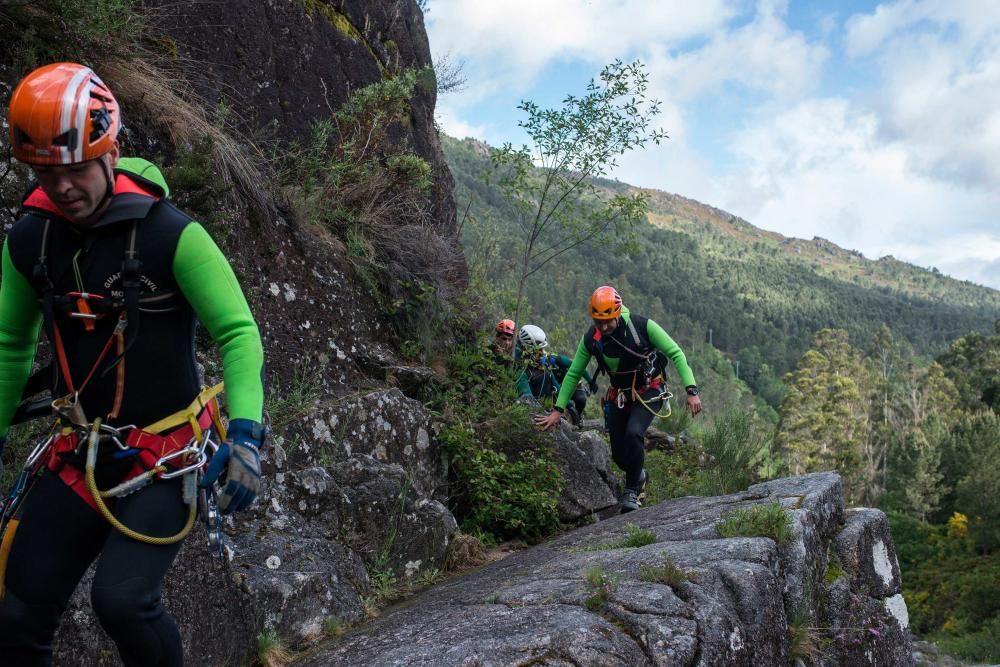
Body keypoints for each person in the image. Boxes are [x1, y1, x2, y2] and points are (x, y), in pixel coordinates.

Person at [0, 62, 265, 666]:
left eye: (73, 169)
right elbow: (10, 343)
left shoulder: (172, 234)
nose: (62, 185)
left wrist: (246, 435)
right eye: (45, 171)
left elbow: (239, 333)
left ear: (109, 152)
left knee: (123, 602)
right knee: (18, 613)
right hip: (81, 452)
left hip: (167, 457)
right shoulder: (30, 240)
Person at [535, 286, 701, 512]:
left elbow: (676, 353)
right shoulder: (591, 339)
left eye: (608, 321)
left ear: (617, 313)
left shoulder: (641, 326)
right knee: (620, 456)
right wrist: (558, 409)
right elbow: (574, 373)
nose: (604, 327)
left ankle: (632, 492)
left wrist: (691, 390)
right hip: (620, 396)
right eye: (598, 322)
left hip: (650, 389)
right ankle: (639, 475)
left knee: (634, 432)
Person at [514, 324, 596, 425]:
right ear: (526, 348)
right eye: (538, 350)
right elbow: (526, 394)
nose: (542, 352)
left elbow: (554, 383)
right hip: (536, 413)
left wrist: (568, 405)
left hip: (546, 408)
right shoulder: (520, 369)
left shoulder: (545, 362)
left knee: (581, 399)